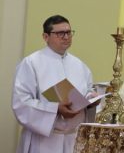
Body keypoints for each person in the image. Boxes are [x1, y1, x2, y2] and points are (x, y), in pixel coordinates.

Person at [12, 15, 96, 153]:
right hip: (44, 141)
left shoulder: (80, 65)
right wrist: (55, 109)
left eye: (69, 32)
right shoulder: (31, 63)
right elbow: (21, 103)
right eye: (60, 33)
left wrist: (91, 100)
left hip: (73, 139)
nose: (66, 37)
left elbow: (87, 91)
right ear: (45, 37)